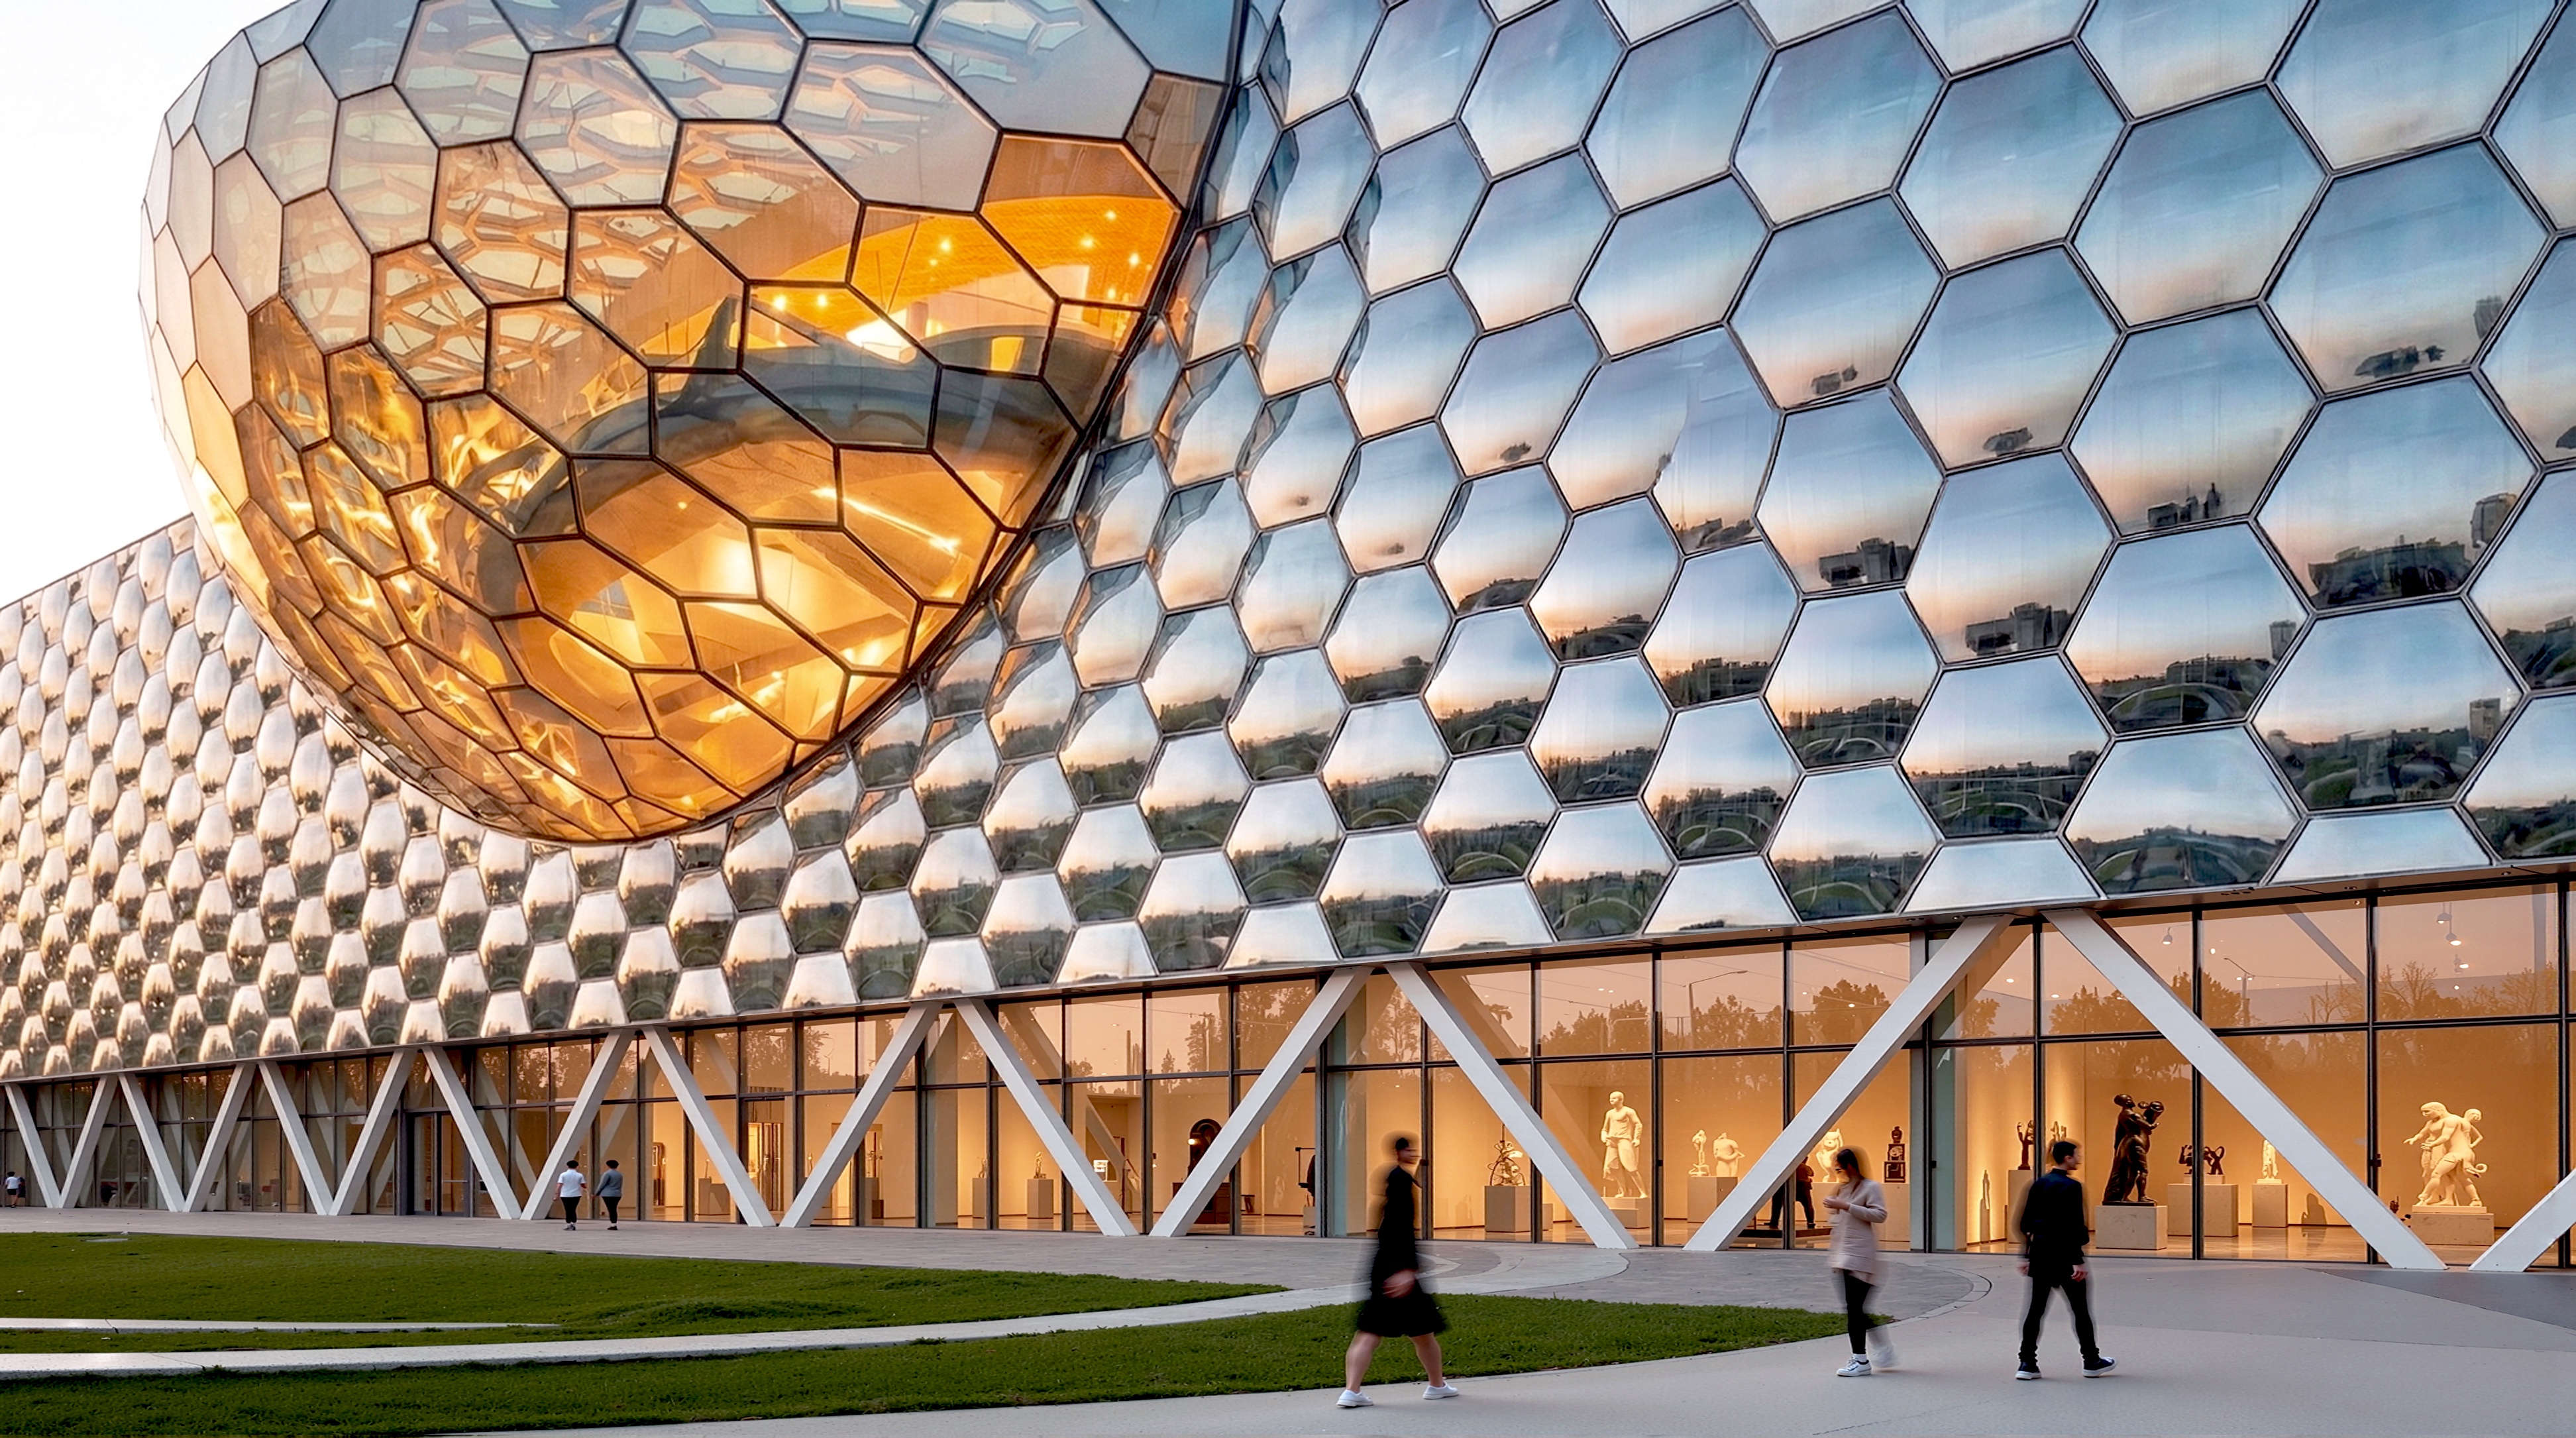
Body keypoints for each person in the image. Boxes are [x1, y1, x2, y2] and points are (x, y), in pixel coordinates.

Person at [1339, 1135, 1456, 1408]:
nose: (1414, 1153)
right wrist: (1406, 1270)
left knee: (1383, 1330)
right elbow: (1402, 1230)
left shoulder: (1391, 1181)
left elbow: (1389, 1231)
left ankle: (1353, 1390)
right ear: (1398, 1152)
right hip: (1398, 1272)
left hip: (1383, 1268)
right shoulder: (1402, 1183)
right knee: (1413, 1331)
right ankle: (1436, 1385)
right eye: (1409, 1149)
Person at [2016, 1140, 2116, 1380]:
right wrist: (2078, 1259)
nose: (2079, 1158)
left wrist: (2027, 1255)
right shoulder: (2072, 1187)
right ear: (2067, 1158)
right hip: (2065, 1256)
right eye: (2076, 1155)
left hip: (2041, 1254)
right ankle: (2091, 1360)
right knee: (2080, 1310)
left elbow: (2026, 1222)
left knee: (2035, 1310)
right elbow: (2073, 1225)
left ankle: (2027, 1362)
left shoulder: (2038, 1184)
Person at [1821, 1146, 1895, 1376]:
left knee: (1855, 1308)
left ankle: (1861, 1359)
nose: (1838, 1172)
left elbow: (1879, 1215)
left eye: (1840, 1167)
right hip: (1843, 1255)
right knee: (1854, 1308)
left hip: (1861, 1255)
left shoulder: (1870, 1188)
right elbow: (1841, 1223)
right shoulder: (1843, 1189)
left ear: (1851, 1166)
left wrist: (1846, 1207)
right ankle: (1869, 1353)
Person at [557, 1157, 586, 1231]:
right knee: (573, 1209)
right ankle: (573, 1224)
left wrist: (556, 1193)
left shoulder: (563, 1175)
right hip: (576, 1194)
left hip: (565, 1194)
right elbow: (583, 1185)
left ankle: (568, 1224)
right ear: (577, 1166)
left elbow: (559, 1184)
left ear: (568, 1166)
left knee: (567, 1209)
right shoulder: (580, 1175)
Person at [598, 1158, 624, 1229]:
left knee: (611, 1209)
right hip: (617, 1194)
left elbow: (602, 1184)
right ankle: (614, 1224)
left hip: (608, 1194)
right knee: (614, 1209)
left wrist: (597, 1193)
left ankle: (613, 1224)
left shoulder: (607, 1174)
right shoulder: (619, 1174)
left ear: (608, 1166)